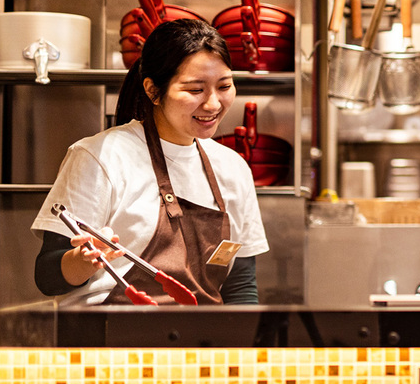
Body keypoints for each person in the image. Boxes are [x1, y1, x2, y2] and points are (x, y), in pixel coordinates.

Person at [31, 18, 269, 304]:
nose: (213, 104)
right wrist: (83, 261)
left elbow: (240, 286)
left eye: (224, 86)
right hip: (111, 330)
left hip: (202, 332)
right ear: (153, 90)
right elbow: (47, 276)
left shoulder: (232, 168)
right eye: (195, 90)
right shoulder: (100, 156)